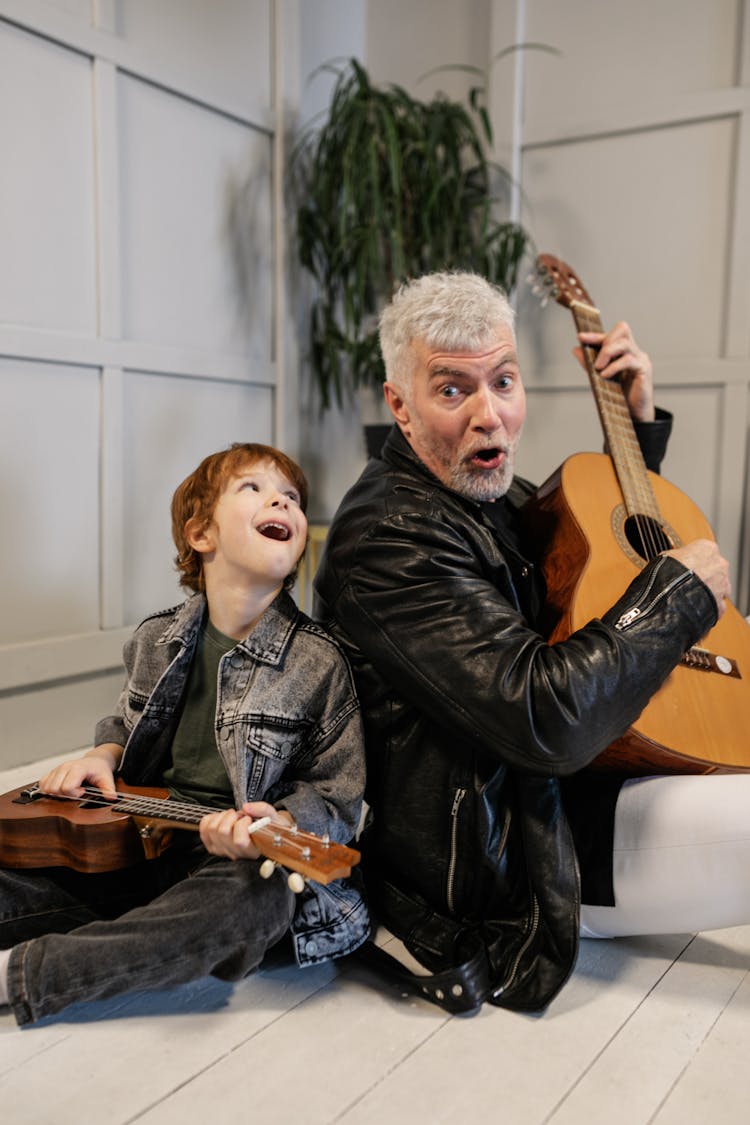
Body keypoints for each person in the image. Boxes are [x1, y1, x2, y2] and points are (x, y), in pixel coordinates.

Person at [314, 270, 750, 1015]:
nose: (491, 416)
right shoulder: (389, 539)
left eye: (505, 380)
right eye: (452, 390)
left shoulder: (484, 495)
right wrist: (677, 596)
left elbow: (584, 570)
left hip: (590, 779)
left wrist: (636, 434)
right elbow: (542, 718)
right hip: (525, 861)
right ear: (399, 406)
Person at [0, 443, 369, 1026]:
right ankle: (142, 931)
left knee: (257, 899)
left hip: (234, 865)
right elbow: (127, 720)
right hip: (142, 846)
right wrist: (102, 754)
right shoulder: (156, 639)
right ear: (201, 535)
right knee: (20, 873)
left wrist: (275, 824)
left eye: (292, 498)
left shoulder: (318, 662)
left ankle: (28, 974)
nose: (280, 500)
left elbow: (337, 795)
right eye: (252, 488)